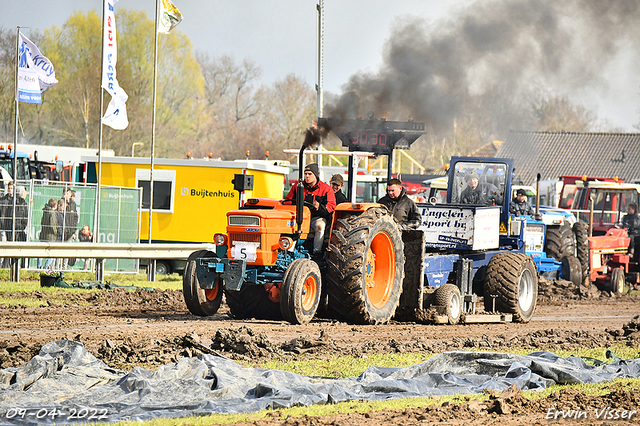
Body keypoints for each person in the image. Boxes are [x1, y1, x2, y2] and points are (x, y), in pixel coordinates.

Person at [284, 163, 336, 256]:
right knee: (289, 225)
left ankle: (317, 252)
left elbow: (331, 207)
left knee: (320, 225)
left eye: (310, 174)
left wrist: (319, 207)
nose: (307, 176)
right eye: (305, 174)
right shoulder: (297, 186)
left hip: (316, 217)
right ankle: (288, 250)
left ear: (316, 175)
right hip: (299, 216)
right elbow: (287, 201)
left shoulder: (326, 189)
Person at [39, 198, 58, 269]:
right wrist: (56, 233)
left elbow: (42, 222)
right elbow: (52, 225)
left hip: (43, 234)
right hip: (50, 236)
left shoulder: (45, 211)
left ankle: (38, 267)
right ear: (55, 205)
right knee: (52, 253)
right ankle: (45, 267)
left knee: (41, 252)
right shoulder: (52, 213)